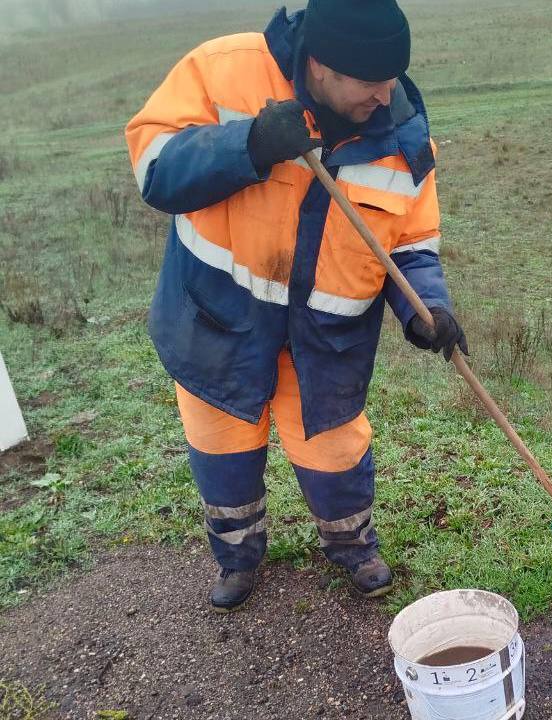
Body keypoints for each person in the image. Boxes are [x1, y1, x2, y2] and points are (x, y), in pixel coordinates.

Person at [124, 0, 467, 612]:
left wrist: (427, 310)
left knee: (337, 458)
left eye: (391, 80)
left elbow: (412, 244)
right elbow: (155, 170)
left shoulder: (406, 137)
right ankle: (236, 558)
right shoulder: (221, 71)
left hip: (328, 341)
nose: (384, 97)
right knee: (222, 455)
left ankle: (352, 546)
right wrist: (248, 145)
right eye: (369, 82)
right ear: (320, 65)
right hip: (218, 323)